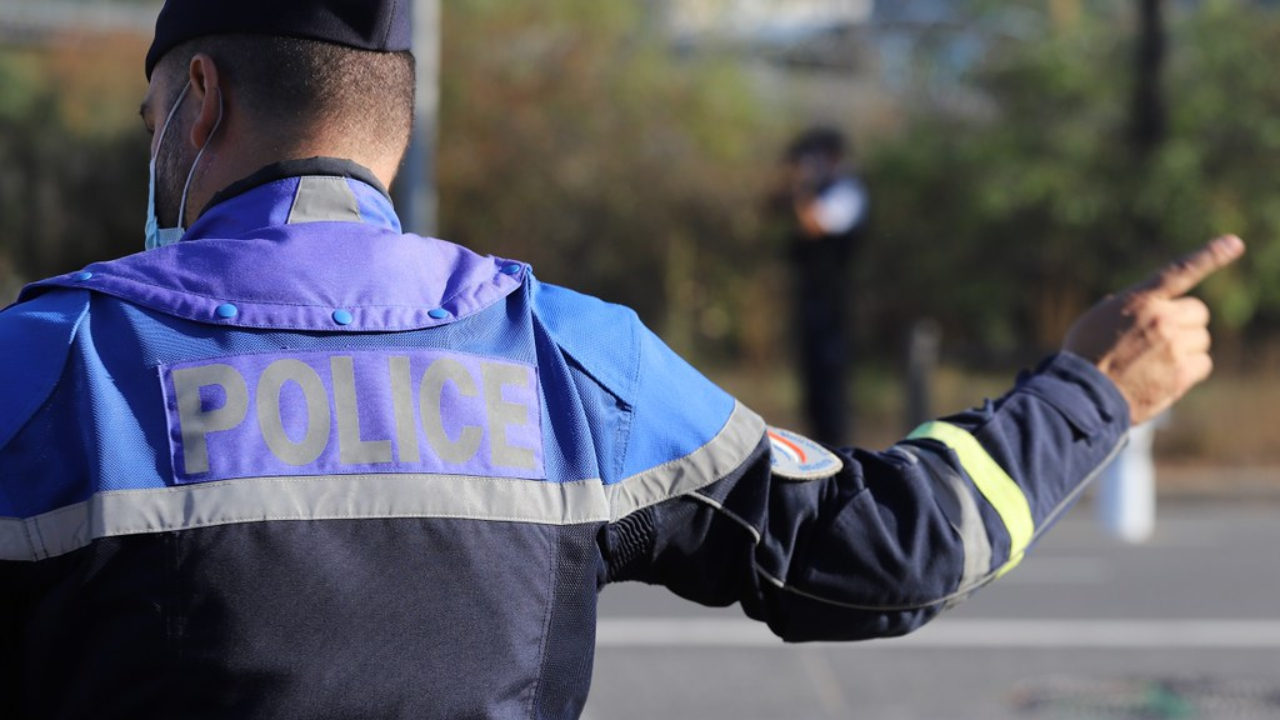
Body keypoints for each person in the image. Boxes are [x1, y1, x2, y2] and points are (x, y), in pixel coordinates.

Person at [0, 1, 1243, 718]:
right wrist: (1094, 387)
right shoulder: (570, 359)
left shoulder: (48, 360)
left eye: (150, 116)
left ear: (198, 104)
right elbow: (883, 553)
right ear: (393, 119)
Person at [779, 126, 869, 444]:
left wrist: (801, 186)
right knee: (813, 388)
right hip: (812, 302)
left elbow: (814, 224)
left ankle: (839, 453)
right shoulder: (818, 191)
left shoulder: (848, 191)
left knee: (831, 386)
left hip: (834, 306)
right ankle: (820, 447)